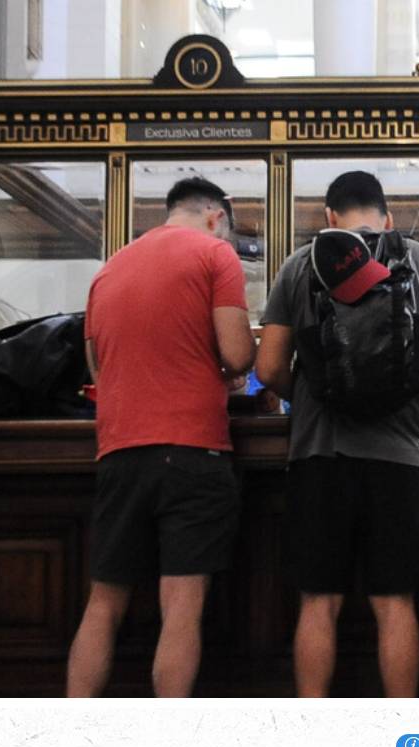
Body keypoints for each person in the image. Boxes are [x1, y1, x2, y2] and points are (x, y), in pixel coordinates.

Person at [256, 171, 419, 697]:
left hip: (319, 453)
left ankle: (315, 728)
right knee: (394, 603)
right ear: (387, 217)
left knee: (318, 602)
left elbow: (269, 367)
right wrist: (412, 394)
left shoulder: (301, 265)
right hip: (401, 455)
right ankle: (400, 730)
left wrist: (311, 396)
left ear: (329, 217)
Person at [67, 176, 255, 697]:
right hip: (192, 448)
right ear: (217, 217)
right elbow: (238, 354)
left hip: (119, 451)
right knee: (182, 608)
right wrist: (228, 371)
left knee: (103, 603)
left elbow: (98, 369)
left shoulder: (109, 269)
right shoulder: (216, 256)